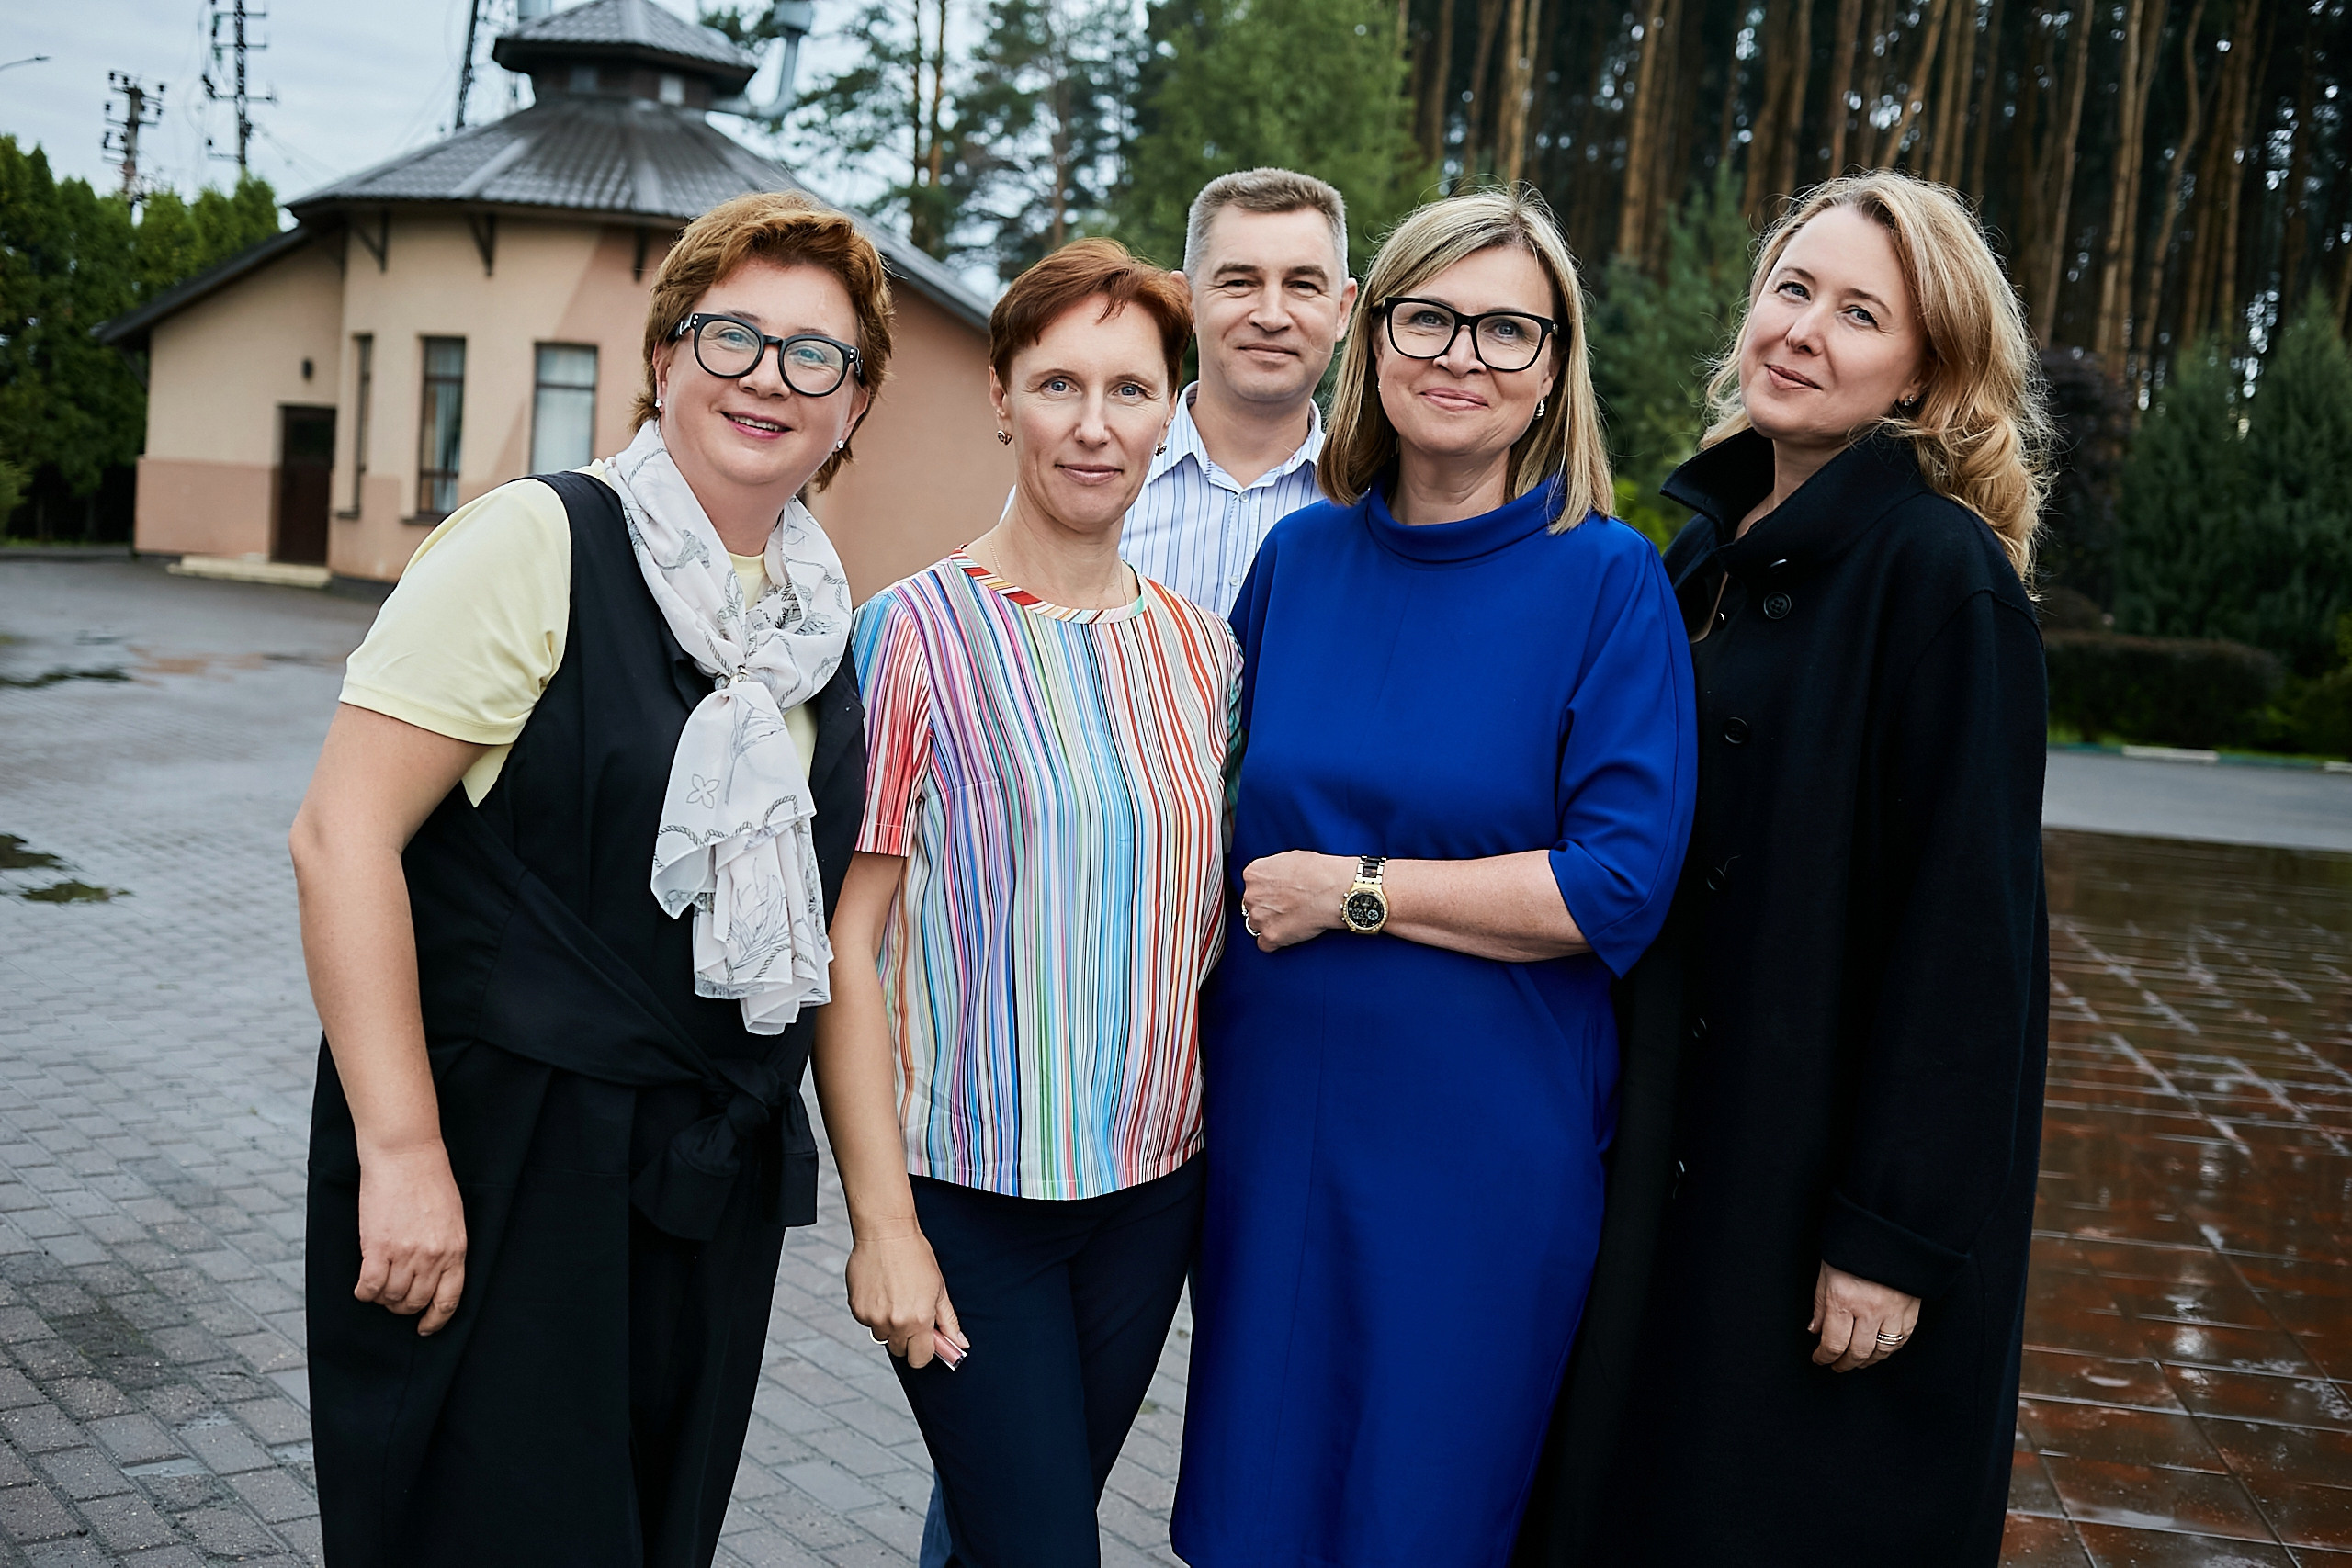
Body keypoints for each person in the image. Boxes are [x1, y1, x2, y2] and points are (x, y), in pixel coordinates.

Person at [291, 189, 884, 1567]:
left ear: (854, 406)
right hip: (504, 1162)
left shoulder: (816, 623)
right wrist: (402, 1152)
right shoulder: (537, 537)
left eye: (816, 355)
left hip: (698, 1186)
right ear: (665, 356)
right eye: (731, 335)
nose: (768, 378)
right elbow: (341, 836)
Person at [1520, 171, 2054, 1566]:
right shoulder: (1699, 555)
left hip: (1811, 1182)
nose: (1805, 328)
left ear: (1924, 373)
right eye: (1792, 289)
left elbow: (1969, 940)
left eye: (1859, 311)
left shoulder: (1943, 579)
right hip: (1674, 1161)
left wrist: (1892, 1230)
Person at [1170, 187, 1698, 1568]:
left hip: (1482, 1148)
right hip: (1277, 1129)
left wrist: (1360, 890)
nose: (1463, 353)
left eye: (1507, 328)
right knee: (1252, 1514)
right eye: (1431, 316)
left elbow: (1618, 884)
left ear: (1552, 370)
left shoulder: (1607, 580)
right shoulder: (1299, 559)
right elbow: (1204, 819)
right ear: (1376, 336)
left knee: (1421, 1516)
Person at [815, 237, 1237, 1568]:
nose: (1094, 424)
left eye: (1130, 387)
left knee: (1000, 1529)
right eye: (1059, 384)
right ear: (999, 394)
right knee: (1045, 1544)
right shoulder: (912, 632)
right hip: (971, 1195)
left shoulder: (1201, 645)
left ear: (1172, 408)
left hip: (1152, 1193)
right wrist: (883, 1224)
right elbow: (851, 941)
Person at [1120, 166, 1358, 618]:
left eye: (1303, 286)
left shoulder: (1383, 505)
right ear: (1186, 301)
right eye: (1239, 282)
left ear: (1342, 310)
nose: (1271, 316)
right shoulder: (1092, 481)